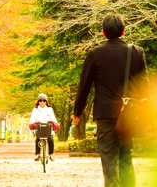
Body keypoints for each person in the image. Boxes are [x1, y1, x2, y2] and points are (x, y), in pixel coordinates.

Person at [73, 12, 149, 187]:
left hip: (106, 115)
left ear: (103, 33)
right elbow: (144, 86)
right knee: (125, 154)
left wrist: (78, 111)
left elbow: (84, 85)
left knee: (108, 157)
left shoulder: (95, 54)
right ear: (123, 32)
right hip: (129, 113)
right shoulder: (137, 52)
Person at [28, 93, 59, 161]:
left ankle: (51, 154)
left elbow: (53, 118)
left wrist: (54, 123)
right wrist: (32, 124)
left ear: (46, 102)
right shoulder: (35, 110)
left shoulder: (50, 109)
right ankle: (37, 154)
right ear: (38, 102)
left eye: (44, 101)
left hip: (48, 128)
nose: (42, 102)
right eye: (40, 101)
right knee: (38, 140)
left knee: (50, 140)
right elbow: (32, 118)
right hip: (39, 128)